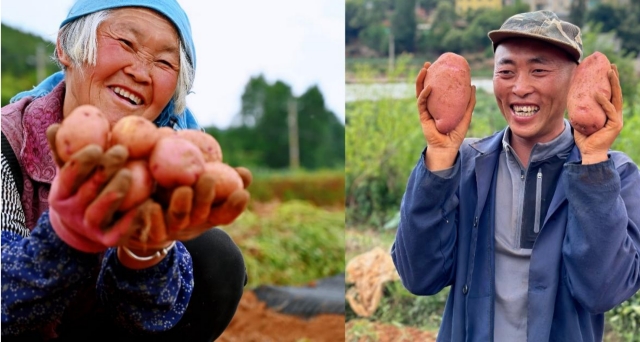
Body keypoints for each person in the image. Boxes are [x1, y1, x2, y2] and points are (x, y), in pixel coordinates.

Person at [1, 1, 252, 341]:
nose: (140, 72)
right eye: (126, 43)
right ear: (65, 47)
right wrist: (71, 233)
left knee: (214, 258)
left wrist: (145, 250)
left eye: (164, 62)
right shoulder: (7, 142)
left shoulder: (164, 166)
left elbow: (141, 320)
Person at [391, 10, 640, 342]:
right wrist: (438, 155)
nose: (520, 88)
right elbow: (419, 277)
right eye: (505, 71)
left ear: (575, 79)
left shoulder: (617, 176)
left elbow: (603, 291)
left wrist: (593, 164)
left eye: (538, 70)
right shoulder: (462, 165)